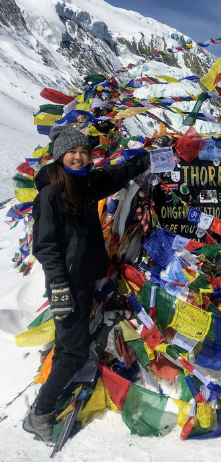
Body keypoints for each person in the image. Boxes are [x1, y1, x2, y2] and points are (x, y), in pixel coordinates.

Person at [23, 125, 151, 442]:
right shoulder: (51, 195)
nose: (79, 157)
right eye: (73, 152)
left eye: (83, 151)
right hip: (67, 284)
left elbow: (114, 178)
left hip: (84, 279)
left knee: (71, 347)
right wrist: (59, 287)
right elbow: (45, 247)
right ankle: (40, 414)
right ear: (60, 156)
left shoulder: (85, 184)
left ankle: (44, 405)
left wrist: (147, 158)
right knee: (72, 352)